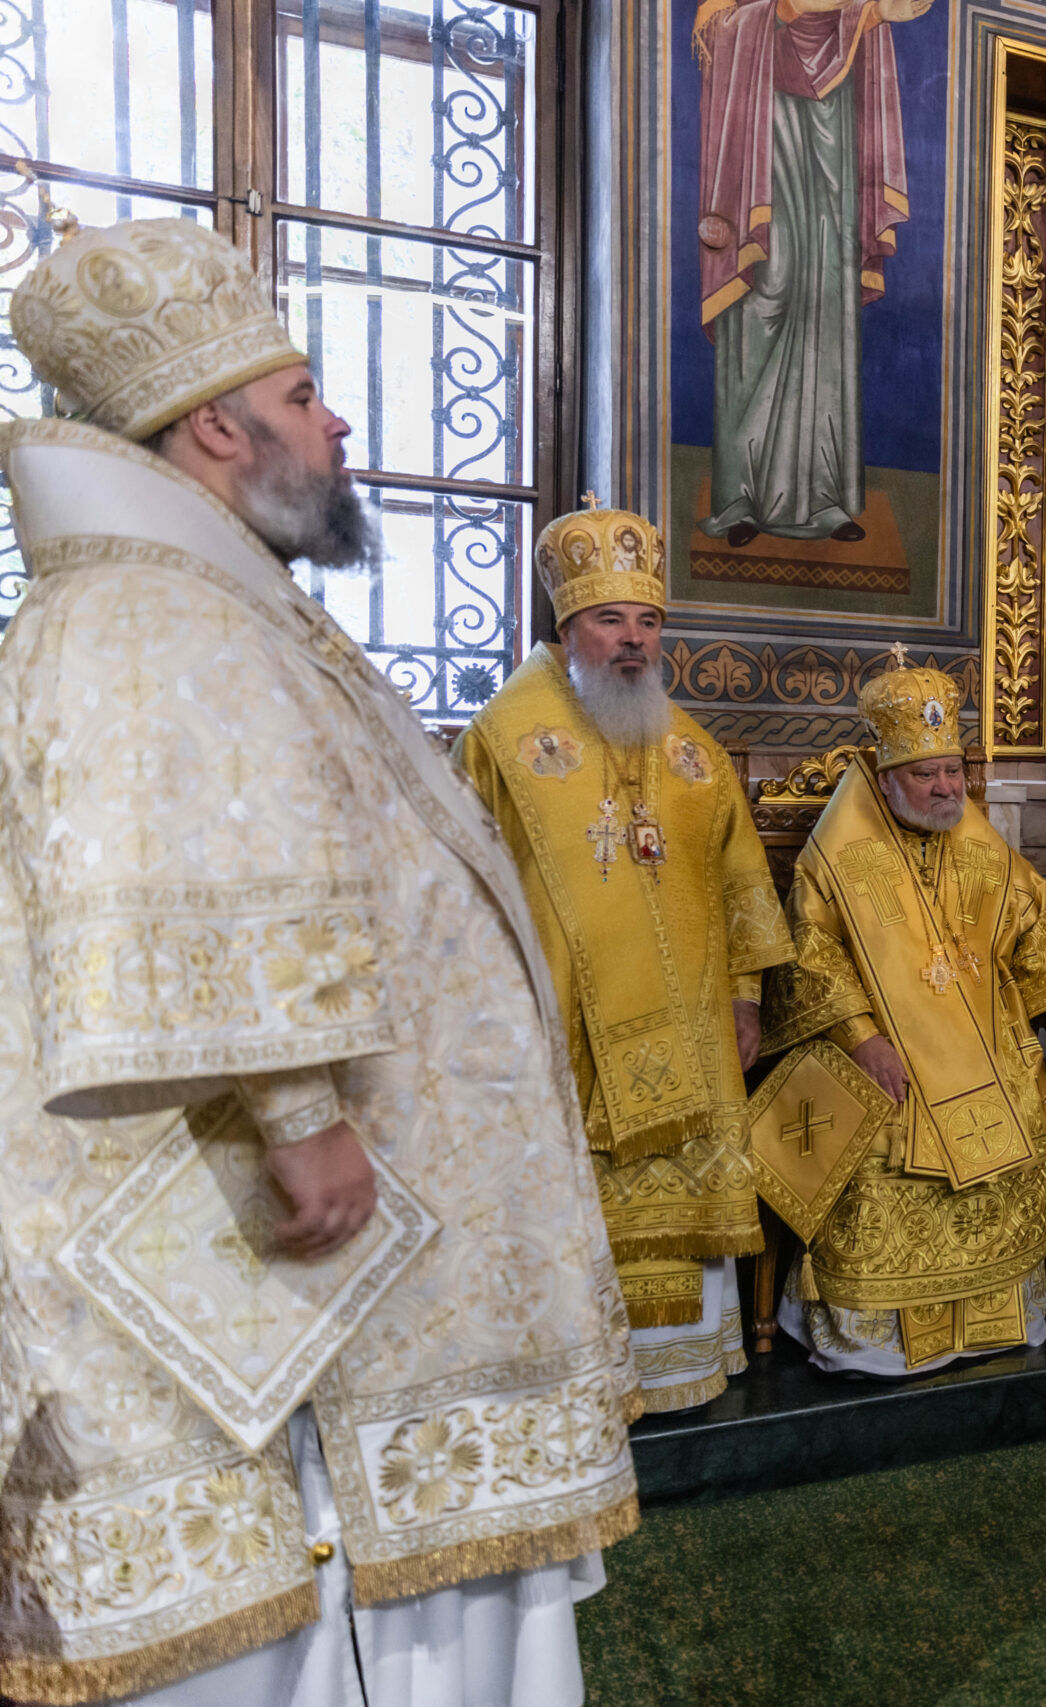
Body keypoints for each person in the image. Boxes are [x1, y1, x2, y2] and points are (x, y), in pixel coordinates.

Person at [0, 216, 636, 1703]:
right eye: (303, 396)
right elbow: (179, 874)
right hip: (304, 1238)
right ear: (216, 428)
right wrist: (303, 1117)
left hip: (339, 1223)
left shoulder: (195, 597)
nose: (336, 423)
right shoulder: (152, 609)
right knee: (312, 1589)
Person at [457, 501, 792, 1413]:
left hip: (695, 1033)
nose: (634, 639)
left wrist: (746, 996)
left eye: (648, 620)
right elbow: (458, 890)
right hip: (560, 1033)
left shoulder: (695, 755)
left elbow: (741, 884)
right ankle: (577, 1380)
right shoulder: (503, 743)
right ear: (567, 628)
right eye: (610, 619)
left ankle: (679, 1368)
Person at [761, 653, 1046, 1371]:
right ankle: (873, 1338)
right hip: (885, 1047)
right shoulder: (836, 856)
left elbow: (1035, 929)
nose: (946, 787)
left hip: (983, 1038)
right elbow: (809, 955)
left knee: (1026, 1106)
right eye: (926, 774)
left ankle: (994, 1317)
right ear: (885, 777)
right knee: (877, 1134)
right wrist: (861, 1038)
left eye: (953, 769)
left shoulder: (979, 843)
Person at [691, 0, 931, 543]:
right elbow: (721, 27)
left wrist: (868, 15)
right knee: (766, 290)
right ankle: (742, 495)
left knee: (826, 299)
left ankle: (823, 496)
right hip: (763, 137)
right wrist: (788, 11)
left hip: (832, 141)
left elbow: (867, 37)